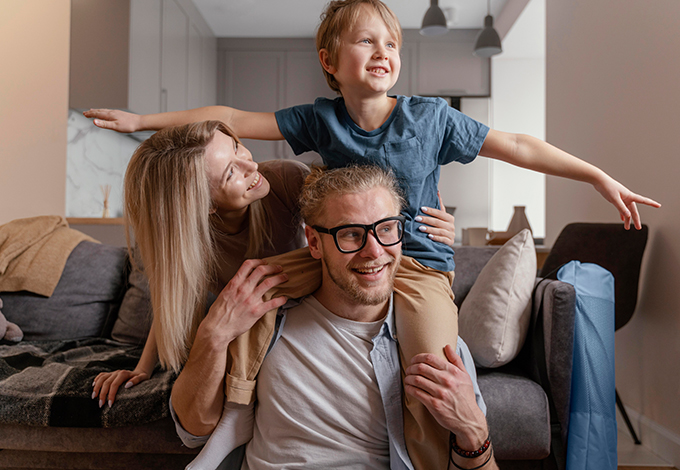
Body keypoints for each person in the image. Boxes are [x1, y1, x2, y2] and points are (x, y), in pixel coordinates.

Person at [85, 0, 660, 466]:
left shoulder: (431, 118)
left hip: (418, 266)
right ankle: (235, 416)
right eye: (366, 41)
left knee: (436, 365)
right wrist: (141, 123)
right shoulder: (318, 120)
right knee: (252, 288)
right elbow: (229, 119)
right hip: (339, 257)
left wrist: (596, 176)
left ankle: (431, 460)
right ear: (329, 59)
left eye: (391, 43)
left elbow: (516, 145)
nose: (383, 51)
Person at [90, 120, 455, 413]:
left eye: (236, 147)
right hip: (250, 320)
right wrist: (142, 368)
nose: (252, 165)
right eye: (231, 173)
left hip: (307, 308)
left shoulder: (284, 179)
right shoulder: (185, 243)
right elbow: (174, 296)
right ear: (204, 206)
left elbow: (358, 215)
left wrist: (430, 233)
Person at [177, 164, 498, 470]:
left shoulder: (438, 346)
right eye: (351, 234)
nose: (374, 251)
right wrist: (213, 336)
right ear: (314, 242)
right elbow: (193, 431)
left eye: (386, 229)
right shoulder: (262, 324)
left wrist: (474, 431)